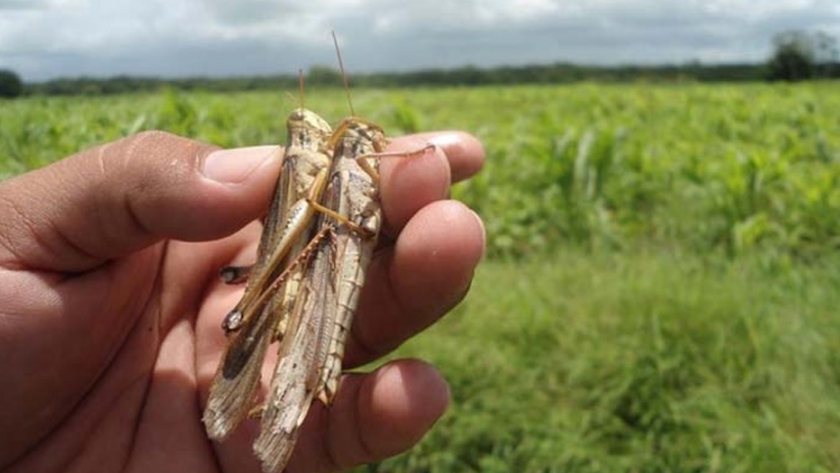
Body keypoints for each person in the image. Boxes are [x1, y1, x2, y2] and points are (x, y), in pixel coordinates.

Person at [0, 130, 486, 473]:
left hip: (315, 249)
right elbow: (315, 212)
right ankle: (270, 385)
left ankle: (285, 390)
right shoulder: (317, 166)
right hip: (301, 252)